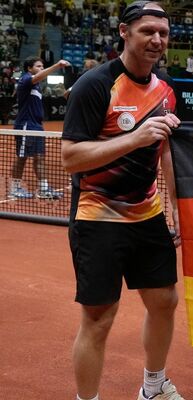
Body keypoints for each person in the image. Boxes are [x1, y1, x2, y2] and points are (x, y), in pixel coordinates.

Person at [61, 2, 183, 399]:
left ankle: (154, 387)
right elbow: (71, 157)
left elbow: (164, 151)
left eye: (163, 33)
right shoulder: (94, 85)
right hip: (98, 215)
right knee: (98, 319)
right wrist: (135, 137)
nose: (157, 40)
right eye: (148, 30)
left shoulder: (165, 90)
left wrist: (177, 207)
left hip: (147, 214)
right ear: (124, 32)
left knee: (165, 301)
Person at [8, 56, 70, 200]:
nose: (41, 69)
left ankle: (43, 189)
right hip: (25, 125)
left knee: (40, 157)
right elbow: (38, 77)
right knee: (22, 157)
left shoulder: (37, 86)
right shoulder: (25, 80)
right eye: (38, 66)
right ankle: (15, 188)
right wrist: (56, 66)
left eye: (42, 66)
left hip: (37, 125)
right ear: (29, 69)